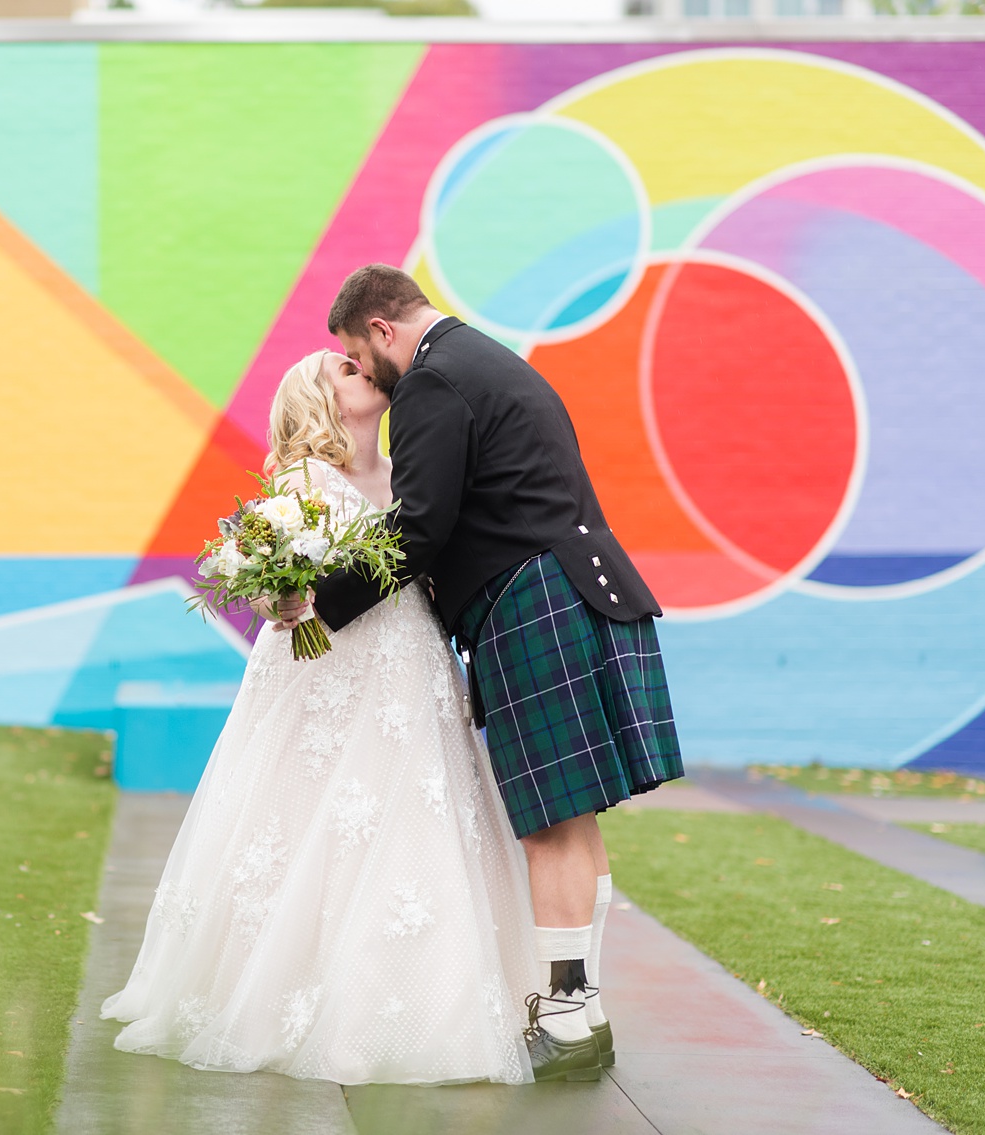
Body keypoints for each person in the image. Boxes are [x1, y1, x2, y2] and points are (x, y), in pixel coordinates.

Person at [288, 264, 685, 1082]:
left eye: (363, 355)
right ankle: (583, 1009)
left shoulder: (434, 380)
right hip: (576, 586)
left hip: (532, 598)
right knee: (571, 820)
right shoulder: (492, 361)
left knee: (548, 822)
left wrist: (324, 609)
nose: (370, 373)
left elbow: (421, 526)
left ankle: (570, 1018)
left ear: (384, 329)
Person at [101, 350, 542, 1086]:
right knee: (309, 822)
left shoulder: (409, 473)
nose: (363, 369)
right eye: (343, 367)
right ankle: (289, 990)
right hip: (327, 669)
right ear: (317, 397)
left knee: (411, 820)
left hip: (409, 667)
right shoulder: (300, 482)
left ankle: (430, 1004)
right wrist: (276, 592)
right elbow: (282, 581)